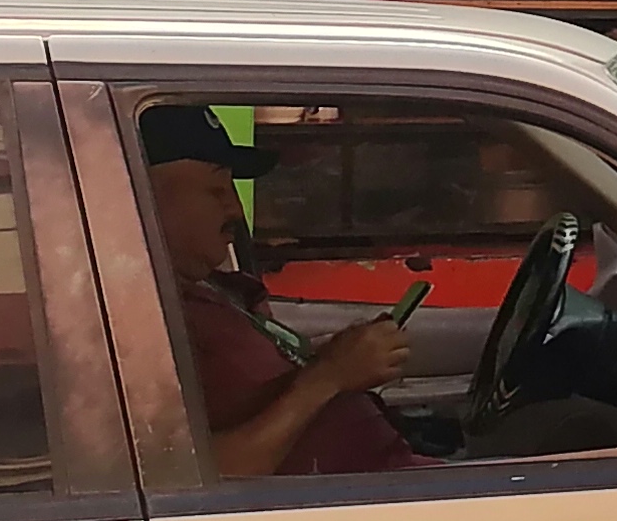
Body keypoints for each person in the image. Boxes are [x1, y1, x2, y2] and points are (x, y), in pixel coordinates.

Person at [140, 103, 424, 479]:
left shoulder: (209, 289)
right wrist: (329, 376)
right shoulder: (133, 325)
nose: (236, 211)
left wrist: (337, 354)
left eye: (232, 189)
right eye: (215, 189)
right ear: (141, 194)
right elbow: (187, 479)